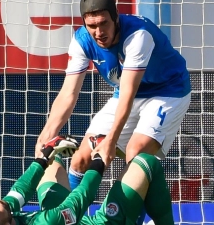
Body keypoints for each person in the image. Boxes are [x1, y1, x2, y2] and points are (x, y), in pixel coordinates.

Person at [35, 0, 190, 223]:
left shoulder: (138, 35)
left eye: (103, 23)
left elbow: (128, 92)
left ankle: (131, 221)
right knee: (81, 158)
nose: (98, 32)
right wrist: (46, 134)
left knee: (136, 152)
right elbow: (68, 93)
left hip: (167, 92)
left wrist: (112, 140)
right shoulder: (81, 40)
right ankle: (70, 219)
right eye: (92, 26)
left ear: (116, 17)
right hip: (126, 94)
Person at [0, 135, 174, 225]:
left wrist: (44, 156)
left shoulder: (4, 215)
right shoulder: (45, 223)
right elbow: (80, 198)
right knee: (146, 163)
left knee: (48, 155)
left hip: (66, 219)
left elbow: (19, 192)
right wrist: (99, 160)